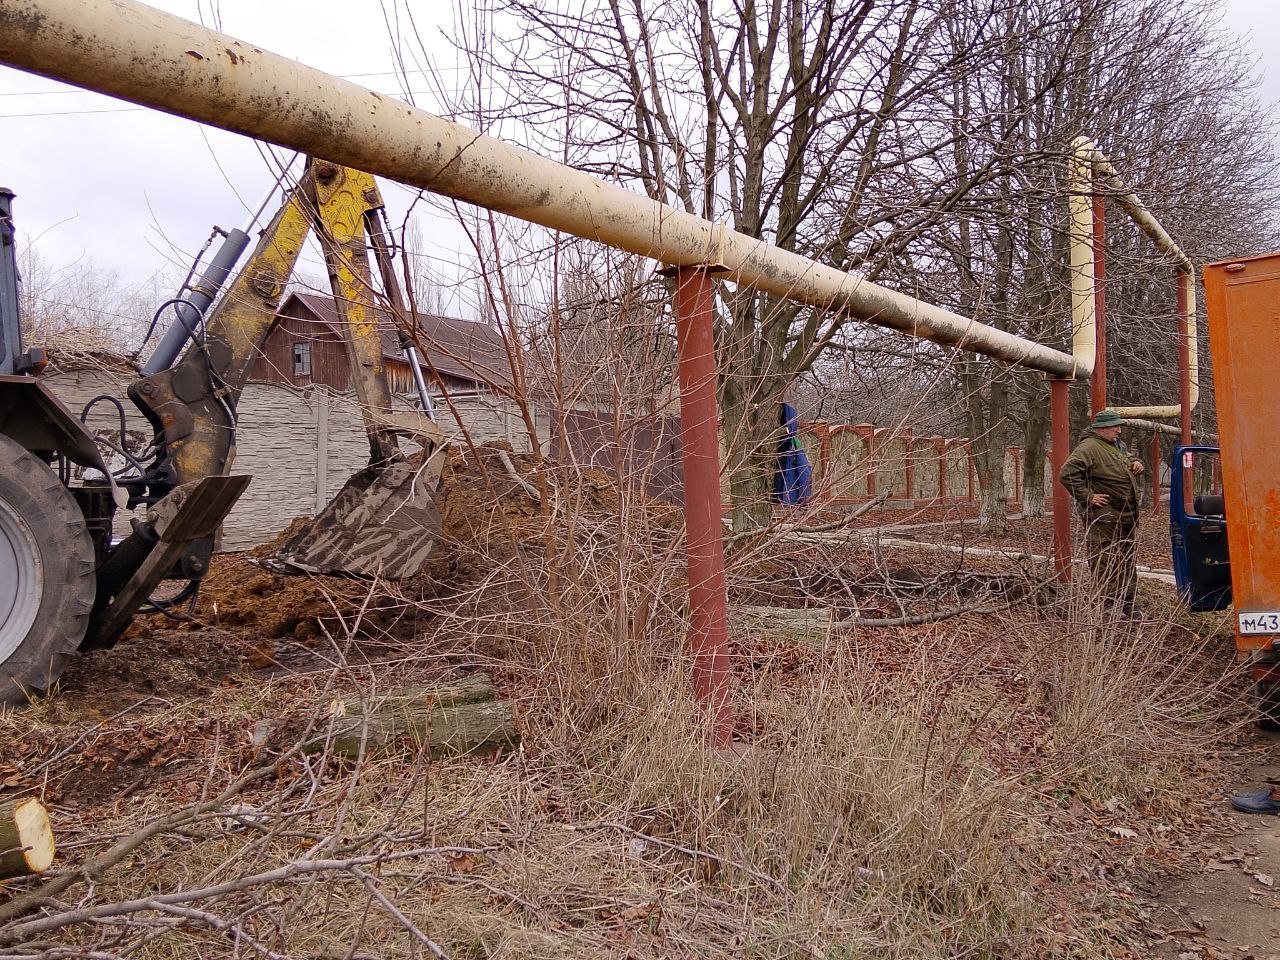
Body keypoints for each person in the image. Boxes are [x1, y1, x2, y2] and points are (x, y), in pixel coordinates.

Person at [1059, 410, 1146, 618]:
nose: (1119, 430)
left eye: (1119, 426)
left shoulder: (1116, 445)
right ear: (1102, 428)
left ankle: (1128, 602)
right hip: (1103, 516)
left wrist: (1136, 463)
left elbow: (1125, 459)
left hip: (1125, 515)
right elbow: (1067, 473)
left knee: (1126, 559)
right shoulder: (1089, 447)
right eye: (1115, 426)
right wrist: (1088, 497)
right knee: (1104, 558)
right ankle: (1109, 603)